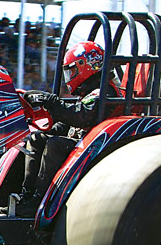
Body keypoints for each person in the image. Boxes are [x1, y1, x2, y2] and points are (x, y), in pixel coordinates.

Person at [16, 41, 121, 217]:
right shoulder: (91, 92)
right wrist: (47, 129)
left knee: (55, 144)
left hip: (98, 148)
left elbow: (82, 116)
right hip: (84, 143)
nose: (69, 76)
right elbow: (70, 122)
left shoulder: (105, 91)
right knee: (36, 139)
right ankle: (27, 197)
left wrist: (50, 101)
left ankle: (40, 201)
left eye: (72, 71)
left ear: (87, 66)